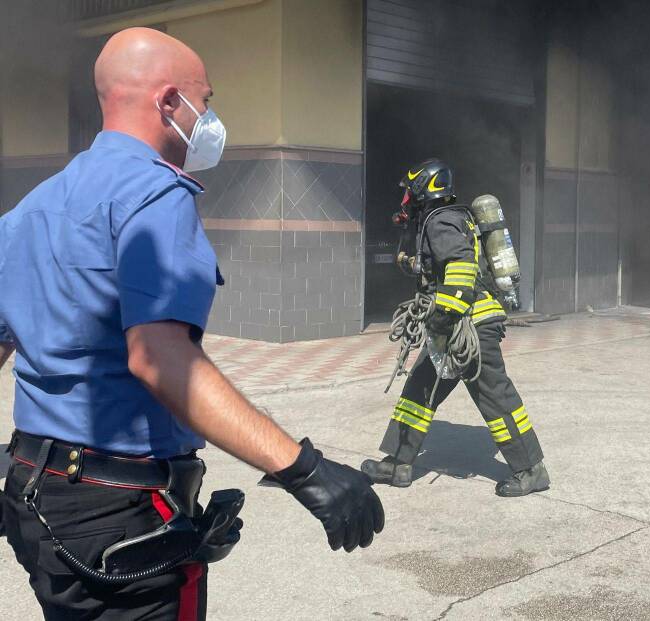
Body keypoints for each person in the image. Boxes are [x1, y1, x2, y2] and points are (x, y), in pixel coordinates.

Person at [0, 28, 383, 619]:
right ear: (169, 103)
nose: (211, 117)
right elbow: (159, 358)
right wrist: (304, 470)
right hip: (117, 509)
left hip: (33, 493)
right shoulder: (155, 194)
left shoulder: (28, 211)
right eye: (207, 101)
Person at [360, 159, 549, 497]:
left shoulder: (440, 221)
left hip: (469, 326)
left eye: (408, 193)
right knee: (418, 393)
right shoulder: (451, 219)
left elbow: (460, 268)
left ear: (422, 189)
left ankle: (531, 470)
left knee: (496, 397)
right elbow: (440, 265)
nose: (405, 200)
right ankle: (399, 463)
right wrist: (413, 264)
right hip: (454, 327)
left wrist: (442, 316)